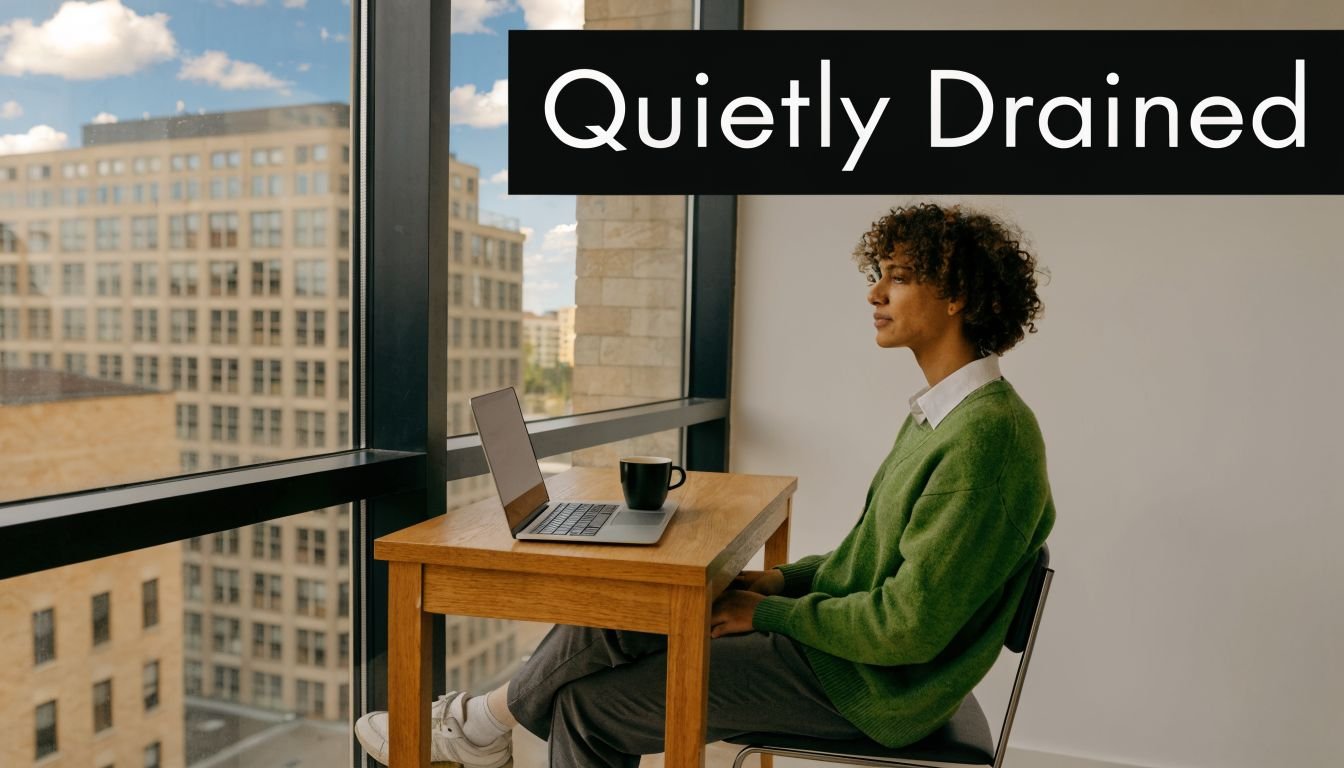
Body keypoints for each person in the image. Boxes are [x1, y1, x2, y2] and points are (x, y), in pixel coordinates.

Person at [354, 202, 1056, 768]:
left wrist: (769, 615)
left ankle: (478, 727)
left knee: (588, 708)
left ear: (957, 294)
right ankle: (480, 726)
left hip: (871, 689)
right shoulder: (945, 418)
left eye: (898, 276)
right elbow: (864, 569)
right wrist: (772, 587)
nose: (874, 292)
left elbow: (908, 626)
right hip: (850, 661)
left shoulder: (986, 440)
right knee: (621, 607)